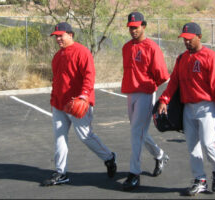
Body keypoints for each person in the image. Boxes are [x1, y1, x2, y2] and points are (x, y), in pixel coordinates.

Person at [158, 22, 215, 196]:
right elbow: (174, 82)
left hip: (208, 107)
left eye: (190, 39)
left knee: (208, 143)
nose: (187, 42)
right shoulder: (182, 58)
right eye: (184, 39)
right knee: (192, 147)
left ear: (199, 37)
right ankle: (200, 179)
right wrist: (164, 99)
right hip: (188, 108)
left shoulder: (211, 57)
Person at [42, 22, 117, 186]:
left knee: (85, 136)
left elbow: (89, 76)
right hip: (59, 104)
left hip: (78, 103)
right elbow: (57, 81)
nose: (58, 39)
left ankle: (109, 157)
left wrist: (84, 96)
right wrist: (53, 100)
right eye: (56, 36)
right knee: (59, 138)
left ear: (71, 35)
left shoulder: (82, 52)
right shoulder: (57, 56)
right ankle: (61, 172)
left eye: (61, 36)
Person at [121, 12, 170, 191]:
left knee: (136, 132)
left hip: (145, 94)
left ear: (144, 26)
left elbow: (163, 75)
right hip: (130, 93)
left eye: (136, 26)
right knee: (139, 132)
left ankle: (134, 173)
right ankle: (159, 154)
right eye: (131, 27)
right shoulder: (126, 47)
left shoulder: (152, 47)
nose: (133, 30)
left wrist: (150, 87)